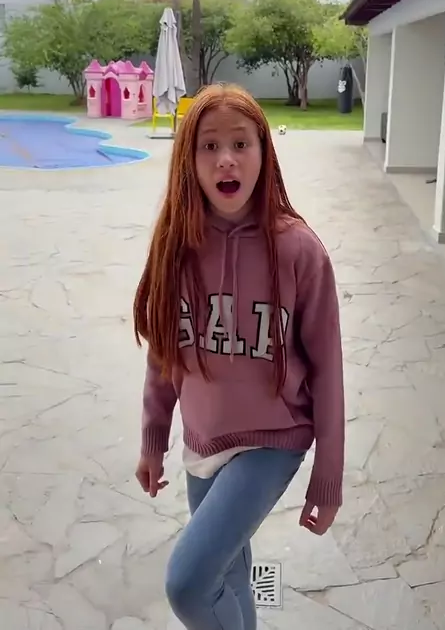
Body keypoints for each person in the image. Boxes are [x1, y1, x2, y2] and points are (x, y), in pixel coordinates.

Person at [133, 83, 344, 630]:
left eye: (240, 143)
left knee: (188, 583)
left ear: (263, 153)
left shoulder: (299, 250)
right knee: (226, 574)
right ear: (189, 160)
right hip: (203, 439)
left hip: (274, 439)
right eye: (209, 145)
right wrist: (154, 437)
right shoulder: (177, 246)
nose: (226, 158)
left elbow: (328, 370)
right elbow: (164, 350)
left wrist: (329, 475)